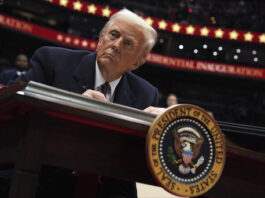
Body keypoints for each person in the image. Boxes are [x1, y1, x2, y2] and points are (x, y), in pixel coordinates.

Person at [1, 8, 165, 198]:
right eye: (113, 35)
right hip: (42, 178)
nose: (116, 45)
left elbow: (138, 161)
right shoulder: (51, 61)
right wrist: (71, 109)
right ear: (101, 38)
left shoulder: (147, 94)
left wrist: (165, 128)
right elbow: (11, 117)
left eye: (128, 43)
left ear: (137, 62)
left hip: (107, 190)